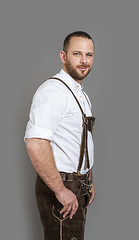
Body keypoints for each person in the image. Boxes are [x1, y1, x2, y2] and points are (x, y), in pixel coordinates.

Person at [24, 31, 96, 240]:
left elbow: (80, 139)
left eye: (89, 55)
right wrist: (60, 190)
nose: (83, 61)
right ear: (63, 57)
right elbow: (36, 142)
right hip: (62, 186)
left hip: (78, 186)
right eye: (77, 54)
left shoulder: (78, 92)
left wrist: (88, 179)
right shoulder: (53, 91)